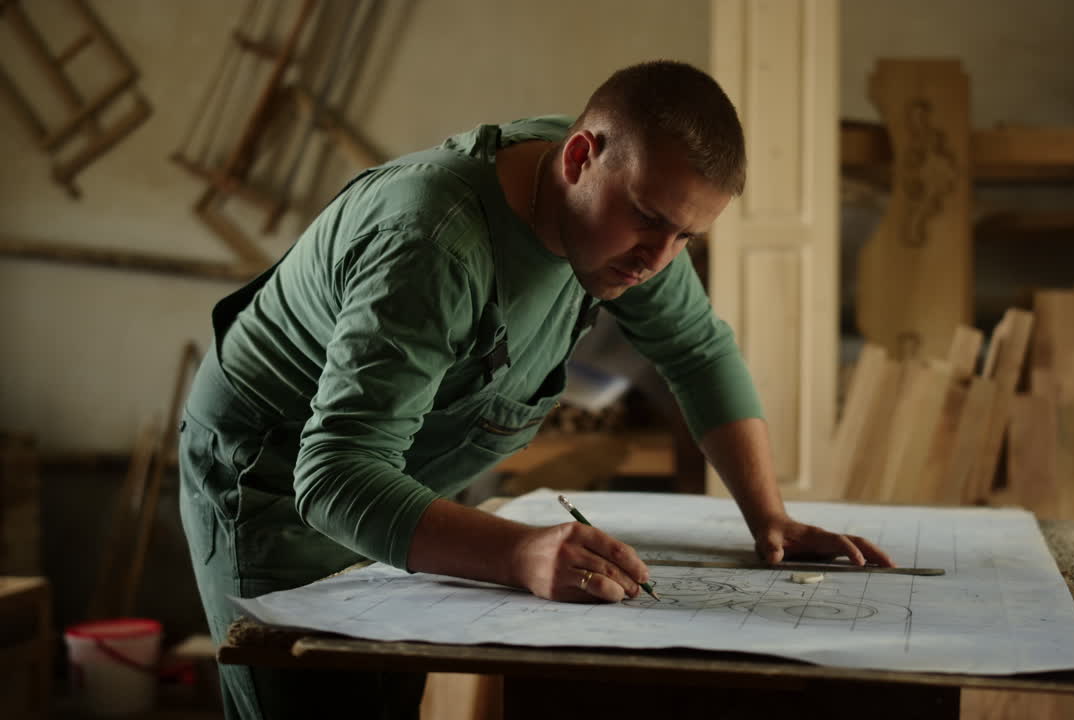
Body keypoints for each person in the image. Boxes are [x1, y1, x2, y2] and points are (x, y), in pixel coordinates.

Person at [178, 60, 893, 720]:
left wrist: (771, 519)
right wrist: (521, 553)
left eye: (687, 238)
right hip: (271, 476)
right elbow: (333, 474)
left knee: (383, 693)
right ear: (580, 157)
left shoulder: (631, 205)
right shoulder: (433, 243)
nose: (660, 260)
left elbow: (697, 350)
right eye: (649, 222)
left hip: (387, 469)